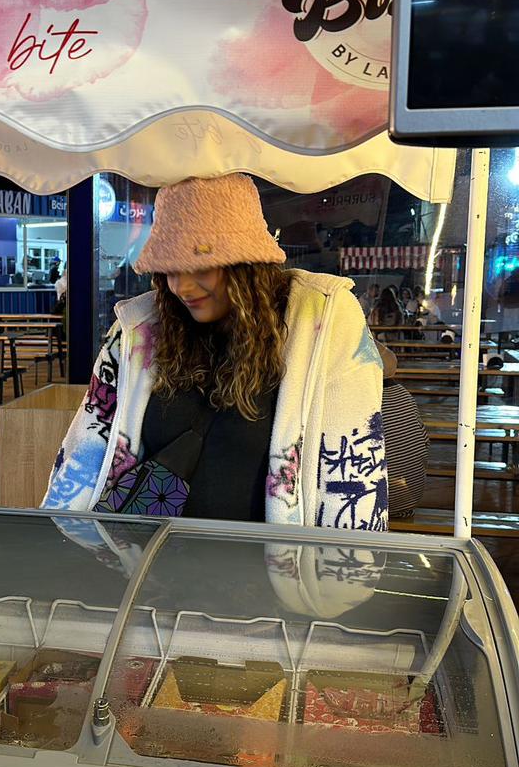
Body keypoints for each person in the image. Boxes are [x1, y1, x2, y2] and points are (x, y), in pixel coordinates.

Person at [44, 174, 388, 530]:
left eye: (200, 266)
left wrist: (346, 564)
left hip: (268, 562)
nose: (181, 287)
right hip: (148, 558)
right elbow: (84, 451)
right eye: (169, 269)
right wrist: (61, 540)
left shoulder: (320, 321)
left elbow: (353, 471)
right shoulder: (136, 331)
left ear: (247, 265)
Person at [377, 343, 429, 519]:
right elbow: (425, 441)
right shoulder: (404, 395)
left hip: (380, 505)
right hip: (412, 496)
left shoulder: (368, 400)